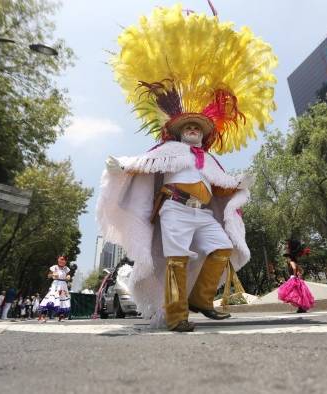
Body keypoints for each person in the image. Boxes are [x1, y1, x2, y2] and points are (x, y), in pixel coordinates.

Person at [97, 6, 277, 331]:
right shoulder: (167, 149)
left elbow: (221, 185)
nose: (193, 131)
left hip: (203, 213)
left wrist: (239, 183)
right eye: (188, 127)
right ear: (179, 131)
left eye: (198, 128)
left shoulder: (209, 159)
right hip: (175, 210)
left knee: (222, 247)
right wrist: (121, 165)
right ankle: (177, 317)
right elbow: (143, 164)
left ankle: (200, 299)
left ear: (203, 134)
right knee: (176, 262)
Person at [277, 240, 314, 313]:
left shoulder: (291, 262)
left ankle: (301, 308)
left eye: (287, 257)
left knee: (294, 293)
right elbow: (300, 270)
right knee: (299, 293)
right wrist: (298, 274)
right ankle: (301, 308)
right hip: (297, 279)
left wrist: (293, 276)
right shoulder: (295, 262)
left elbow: (294, 268)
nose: (286, 259)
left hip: (294, 279)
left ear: (289, 257)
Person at [38, 256, 72, 322]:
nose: (63, 261)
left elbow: (68, 275)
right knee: (50, 299)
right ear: (58, 260)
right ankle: (43, 316)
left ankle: (61, 316)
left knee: (62, 300)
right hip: (55, 284)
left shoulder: (66, 269)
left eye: (64, 260)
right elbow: (48, 275)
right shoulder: (54, 267)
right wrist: (53, 274)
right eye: (61, 259)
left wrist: (68, 277)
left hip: (63, 285)